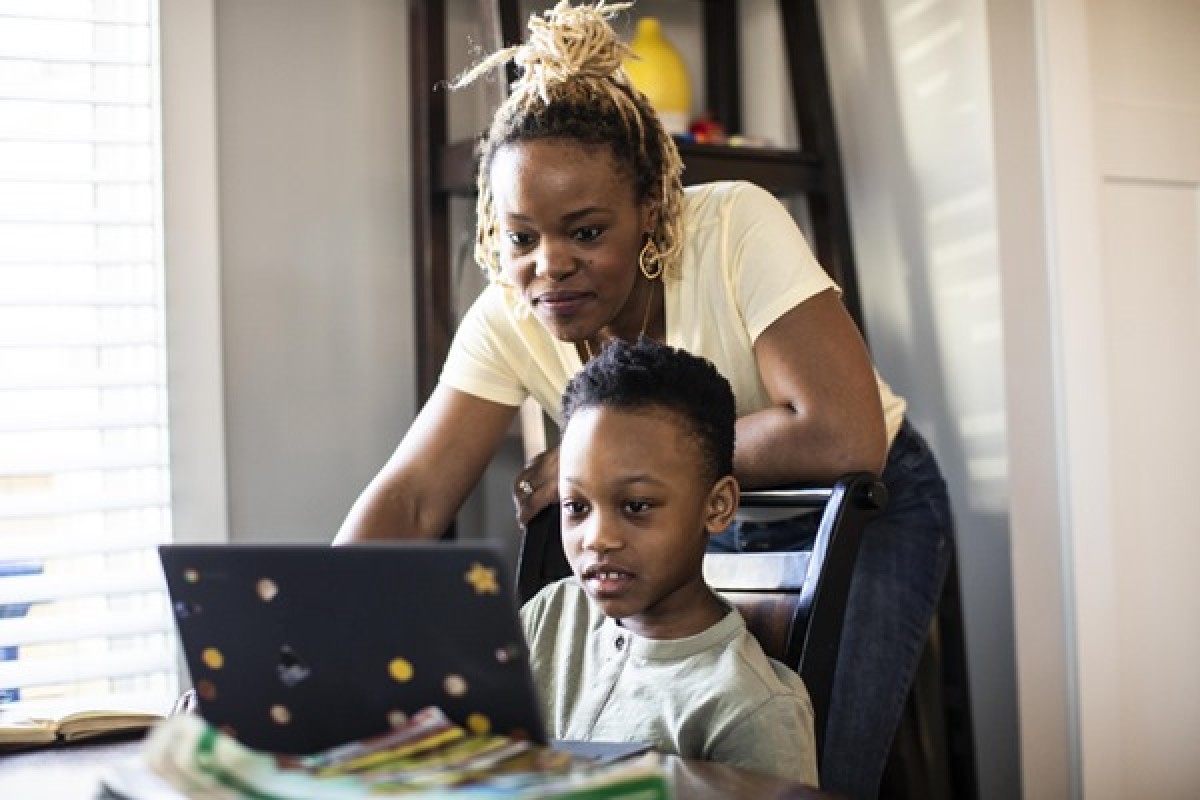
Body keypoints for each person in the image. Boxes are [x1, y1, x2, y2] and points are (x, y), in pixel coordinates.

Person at [335, 3, 953, 798]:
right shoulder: (510, 312)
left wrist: (613, 462)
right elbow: (413, 497)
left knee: (802, 773)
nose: (549, 265)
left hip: (862, 506)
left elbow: (841, 435)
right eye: (522, 238)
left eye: (586, 232)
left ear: (649, 213)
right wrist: (298, 649)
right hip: (687, 521)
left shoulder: (734, 227)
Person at [521, 337, 818, 783]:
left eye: (637, 506)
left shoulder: (751, 710)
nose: (597, 539)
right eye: (576, 507)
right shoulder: (551, 614)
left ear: (717, 506)